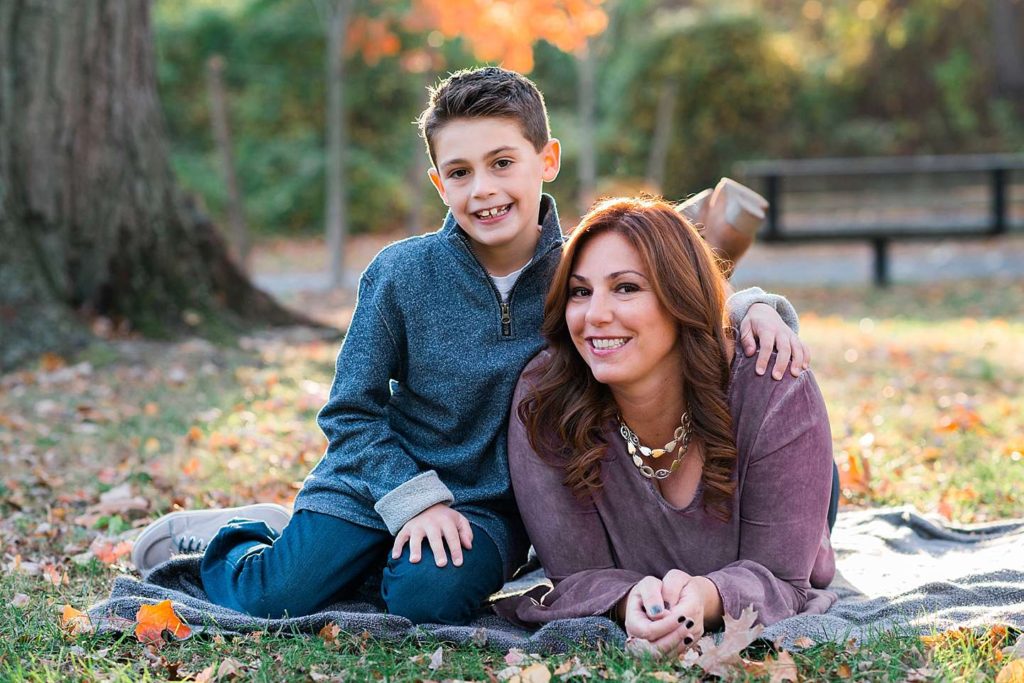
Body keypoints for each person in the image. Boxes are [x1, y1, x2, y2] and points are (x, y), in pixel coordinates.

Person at [131, 68, 806, 625]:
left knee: (427, 600)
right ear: (438, 183)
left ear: (548, 159)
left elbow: (666, 289)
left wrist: (754, 306)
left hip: (489, 505)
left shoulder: (577, 278)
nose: (483, 188)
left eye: (502, 163)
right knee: (273, 597)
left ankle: (374, 567)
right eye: (459, 172)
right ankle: (240, 536)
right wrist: (412, 498)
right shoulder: (400, 275)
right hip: (374, 484)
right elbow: (350, 413)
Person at [502, 196, 836, 655]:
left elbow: (783, 578)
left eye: (625, 288)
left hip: (771, 465)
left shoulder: (774, 383)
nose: (595, 314)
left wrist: (708, 598)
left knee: (806, 534)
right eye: (580, 292)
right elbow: (576, 575)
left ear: (681, 297)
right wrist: (626, 599)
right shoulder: (546, 398)